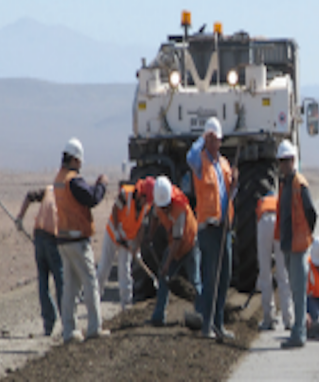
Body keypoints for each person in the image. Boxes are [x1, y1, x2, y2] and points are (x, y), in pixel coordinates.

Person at [54, 138, 110, 343]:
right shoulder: (73, 181)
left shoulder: (59, 179)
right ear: (76, 159)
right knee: (90, 282)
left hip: (62, 239)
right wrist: (102, 184)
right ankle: (95, 327)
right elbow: (92, 198)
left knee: (70, 286)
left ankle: (69, 331)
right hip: (77, 239)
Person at [186, 117, 237, 340]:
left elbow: (228, 193)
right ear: (207, 139)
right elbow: (189, 156)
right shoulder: (200, 162)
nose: (216, 144)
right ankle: (207, 325)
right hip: (208, 228)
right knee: (210, 277)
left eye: (218, 140)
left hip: (224, 228)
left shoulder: (223, 164)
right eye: (212, 139)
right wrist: (201, 139)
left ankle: (218, 323)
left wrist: (235, 184)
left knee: (224, 276)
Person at [274, 139, 317, 348]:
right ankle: (297, 330)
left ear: (293, 161)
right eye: (281, 161)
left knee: (299, 292)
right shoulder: (285, 183)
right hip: (289, 244)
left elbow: (311, 212)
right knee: (294, 290)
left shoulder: (299, 184)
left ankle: (299, 334)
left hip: (298, 245)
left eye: (286, 161)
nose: (283, 165)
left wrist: (306, 235)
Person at [148, 176, 203, 325]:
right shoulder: (159, 200)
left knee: (195, 281)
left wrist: (167, 264)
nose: (164, 210)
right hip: (174, 243)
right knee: (163, 279)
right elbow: (154, 217)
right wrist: (150, 236)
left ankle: (201, 315)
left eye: (166, 206)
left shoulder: (180, 207)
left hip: (189, 245)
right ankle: (158, 316)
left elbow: (178, 240)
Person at [96, 177, 154, 309]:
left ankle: (126, 305)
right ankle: (95, 300)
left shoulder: (146, 206)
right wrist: (117, 232)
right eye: (146, 199)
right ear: (141, 194)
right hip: (113, 234)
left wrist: (137, 247)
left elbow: (141, 228)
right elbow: (115, 210)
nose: (147, 203)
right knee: (104, 268)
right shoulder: (126, 194)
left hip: (128, 238)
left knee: (125, 271)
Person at [16, 185, 63, 336]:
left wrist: (19, 218)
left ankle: (48, 324)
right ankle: (67, 322)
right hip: (52, 240)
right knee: (61, 281)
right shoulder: (66, 195)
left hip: (39, 237)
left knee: (43, 281)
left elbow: (29, 195)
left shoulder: (48, 190)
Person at [255, 192, 293, 331]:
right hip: (279, 221)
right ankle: (288, 319)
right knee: (283, 273)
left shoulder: (261, 202)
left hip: (264, 222)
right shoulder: (279, 199)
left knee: (265, 274)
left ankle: (268, 319)